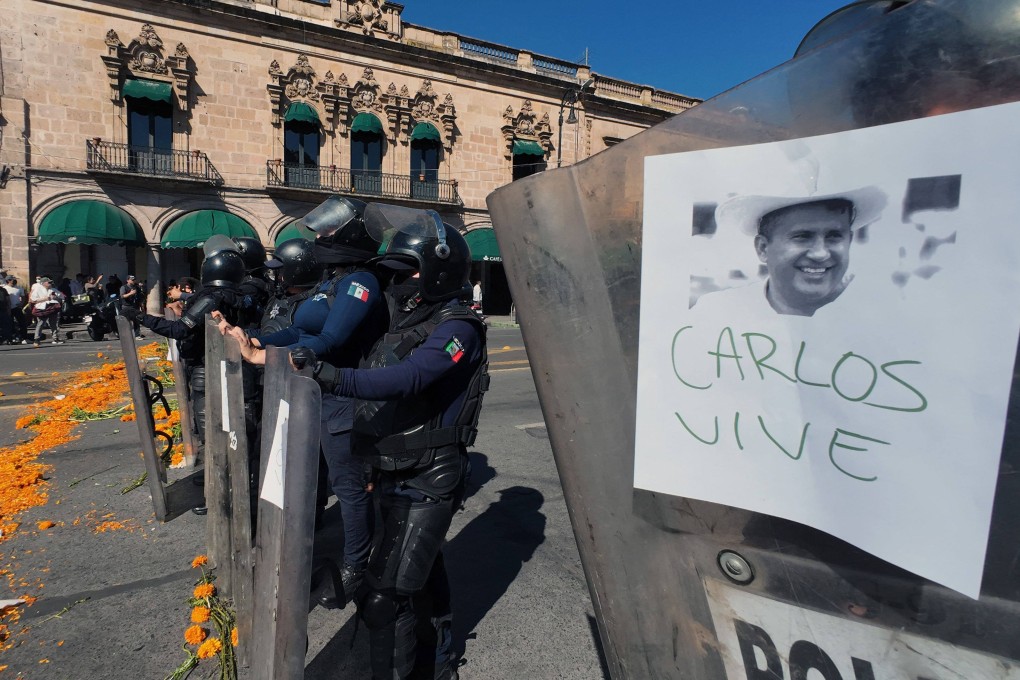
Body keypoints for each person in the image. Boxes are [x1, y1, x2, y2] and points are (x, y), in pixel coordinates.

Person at [231, 205, 487, 680]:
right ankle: (441, 657)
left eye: (408, 272)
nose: (399, 284)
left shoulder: (458, 329)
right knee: (423, 575)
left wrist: (328, 375)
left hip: (430, 476)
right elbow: (324, 330)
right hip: (395, 466)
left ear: (437, 272)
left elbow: (408, 378)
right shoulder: (404, 322)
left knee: (383, 598)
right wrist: (264, 350)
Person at [221, 197, 390, 604]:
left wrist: (265, 356)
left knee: (349, 489)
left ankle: (357, 565)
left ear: (348, 235)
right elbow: (298, 333)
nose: (319, 237)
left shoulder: (360, 282)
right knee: (313, 479)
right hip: (316, 394)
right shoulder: (333, 281)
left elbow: (330, 340)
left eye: (327, 231)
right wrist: (255, 336)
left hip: (343, 398)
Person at [120, 251, 245, 447]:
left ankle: (213, 471)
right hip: (233, 363)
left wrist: (140, 316)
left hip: (205, 365)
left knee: (209, 423)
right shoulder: (241, 297)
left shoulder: (210, 299)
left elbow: (178, 329)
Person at [706, 187, 886, 317]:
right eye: (802, 237)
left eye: (834, 236)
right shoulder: (721, 314)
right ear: (762, 248)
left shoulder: (878, 317)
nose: (820, 253)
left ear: (850, 241)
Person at [29, 277, 64, 346]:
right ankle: (37, 339)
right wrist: (46, 299)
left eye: (51, 282)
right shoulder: (37, 290)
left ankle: (55, 338)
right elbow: (32, 300)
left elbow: (62, 296)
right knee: (41, 323)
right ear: (43, 283)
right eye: (49, 282)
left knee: (54, 324)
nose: (50, 284)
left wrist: (56, 298)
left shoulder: (53, 290)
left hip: (52, 308)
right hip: (42, 308)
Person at [119, 275, 144, 339]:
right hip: (126, 306)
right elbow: (122, 296)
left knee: (136, 320)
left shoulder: (137, 287)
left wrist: (142, 306)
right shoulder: (124, 287)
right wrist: (130, 293)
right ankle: (126, 335)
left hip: (135, 306)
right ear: (127, 280)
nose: (133, 281)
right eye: (132, 280)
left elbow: (140, 297)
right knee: (126, 321)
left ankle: (137, 335)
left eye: (134, 279)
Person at [4, 276, 27, 343]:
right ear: (8, 280)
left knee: (22, 323)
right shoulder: (5, 288)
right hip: (7, 309)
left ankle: (24, 338)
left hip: (17, 308)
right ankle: (12, 338)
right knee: (10, 324)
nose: (14, 281)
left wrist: (21, 303)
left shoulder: (19, 288)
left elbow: (23, 297)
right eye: (13, 280)